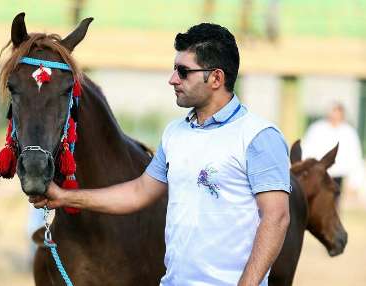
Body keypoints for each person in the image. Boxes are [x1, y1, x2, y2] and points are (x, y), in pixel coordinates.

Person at [30, 23, 291, 285]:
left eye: (183, 71)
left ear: (216, 78)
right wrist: (65, 197)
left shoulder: (259, 136)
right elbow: (138, 192)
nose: (173, 79)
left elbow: (276, 217)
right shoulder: (175, 133)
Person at [302, 103, 365, 207]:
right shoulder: (317, 129)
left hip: (337, 175)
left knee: (334, 204)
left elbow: (355, 156)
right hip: (319, 172)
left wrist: (355, 181)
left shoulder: (348, 132)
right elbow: (307, 149)